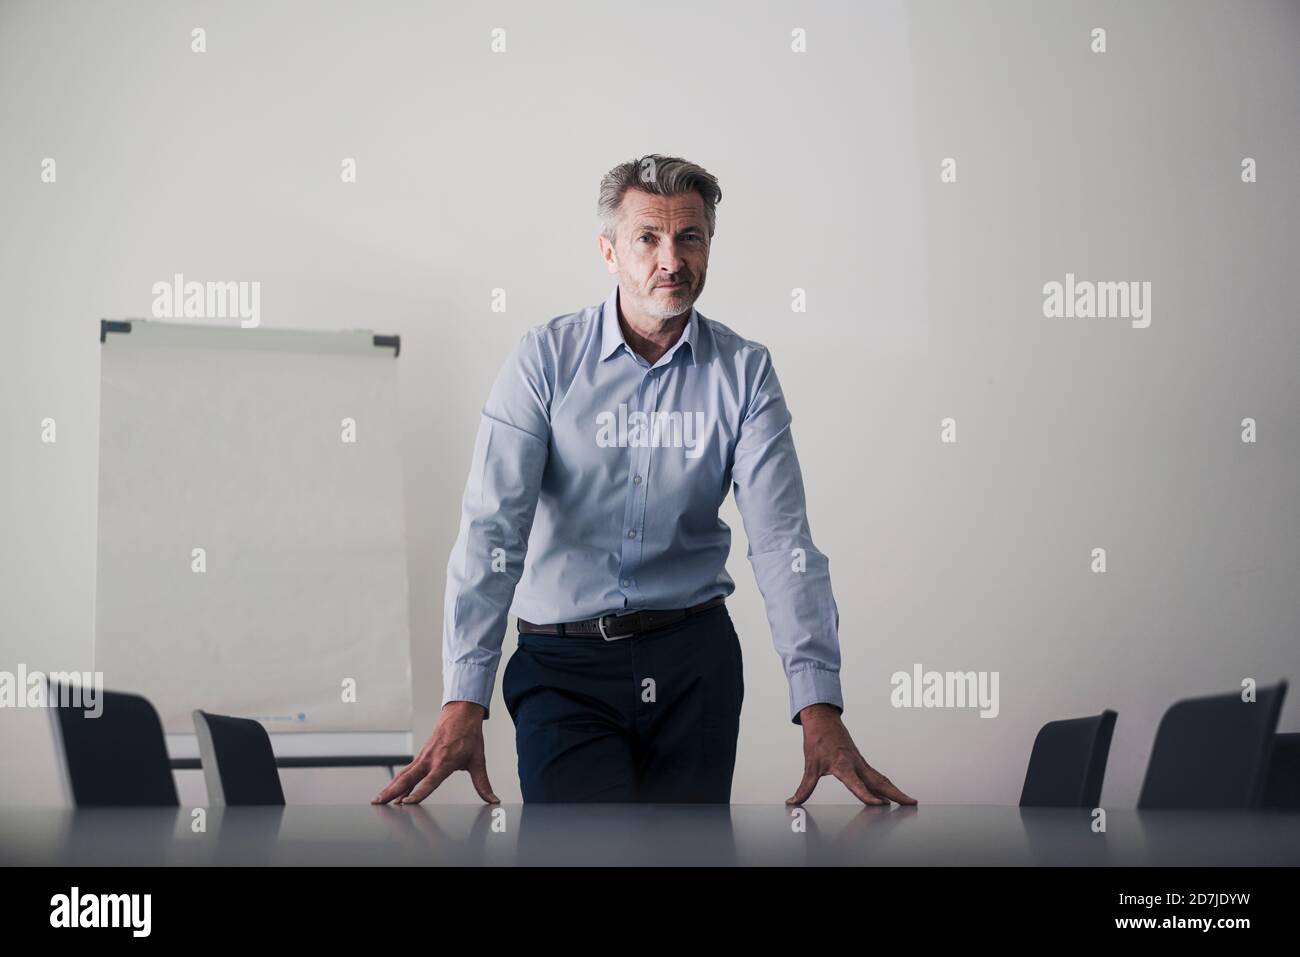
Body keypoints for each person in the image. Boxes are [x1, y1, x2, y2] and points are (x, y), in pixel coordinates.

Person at [374, 155, 915, 807]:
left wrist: (818, 703)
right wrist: (465, 696)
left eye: (690, 237)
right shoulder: (543, 362)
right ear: (609, 252)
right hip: (562, 669)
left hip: (694, 666)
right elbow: (494, 530)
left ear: (709, 245)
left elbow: (783, 544)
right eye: (648, 239)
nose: (671, 259)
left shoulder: (744, 374)